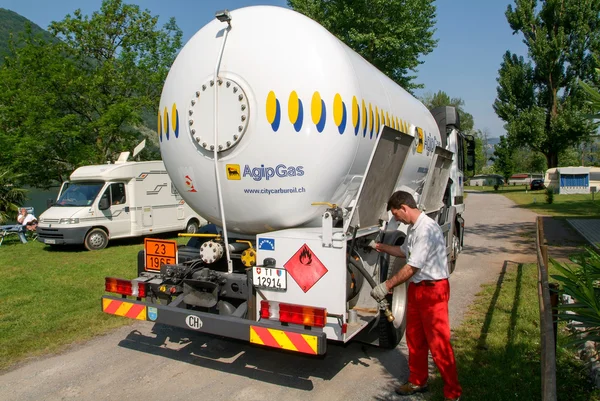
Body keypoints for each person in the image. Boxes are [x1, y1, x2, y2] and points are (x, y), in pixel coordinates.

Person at [370, 190, 461, 401]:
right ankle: (418, 381)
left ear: (404, 208)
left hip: (433, 290)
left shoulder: (426, 229)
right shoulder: (413, 229)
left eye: (396, 214)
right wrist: (379, 246)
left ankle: (453, 393)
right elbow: (404, 252)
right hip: (418, 289)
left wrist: (386, 286)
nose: (395, 219)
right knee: (415, 339)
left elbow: (412, 267)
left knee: (439, 343)